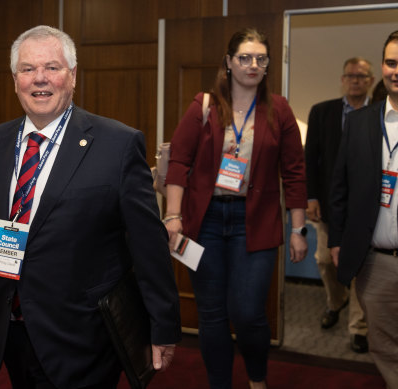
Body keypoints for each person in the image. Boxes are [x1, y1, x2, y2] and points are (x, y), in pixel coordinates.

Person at [0, 25, 181, 389]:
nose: (39, 78)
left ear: (72, 76)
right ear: (15, 80)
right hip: (9, 331)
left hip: (84, 338)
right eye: (27, 69)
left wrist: (163, 324)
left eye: (52, 67)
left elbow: (147, 243)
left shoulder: (118, 145)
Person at [164, 28, 307, 389]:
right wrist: (173, 216)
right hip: (206, 221)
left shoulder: (279, 109)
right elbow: (179, 162)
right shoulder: (205, 105)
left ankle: (257, 378)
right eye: (245, 57)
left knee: (247, 314)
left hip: (254, 222)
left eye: (261, 58)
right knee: (211, 316)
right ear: (229, 62)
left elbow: (294, 172)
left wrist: (297, 228)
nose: (253, 64)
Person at [329, 30, 398, 389]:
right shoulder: (359, 122)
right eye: (391, 62)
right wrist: (337, 240)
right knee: (384, 345)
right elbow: (339, 188)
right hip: (377, 262)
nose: (396, 71)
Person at [304, 57, 374, 353]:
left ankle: (358, 327)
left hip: (368, 207)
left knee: (361, 267)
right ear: (342, 80)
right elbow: (310, 159)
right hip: (329, 205)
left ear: (370, 81)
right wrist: (311, 197)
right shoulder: (322, 112)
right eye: (350, 75)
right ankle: (337, 301)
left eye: (362, 76)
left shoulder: (381, 113)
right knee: (324, 259)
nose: (355, 80)